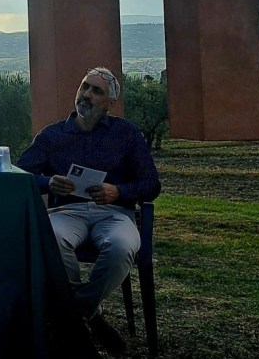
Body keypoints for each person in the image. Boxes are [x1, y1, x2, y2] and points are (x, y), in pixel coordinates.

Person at [17, 66, 161, 357]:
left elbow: (151, 184)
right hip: (66, 212)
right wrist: (48, 183)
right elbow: (20, 176)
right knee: (53, 240)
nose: (87, 95)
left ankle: (74, 316)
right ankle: (91, 317)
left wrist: (118, 191)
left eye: (97, 91)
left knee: (121, 247)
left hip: (114, 213)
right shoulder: (52, 135)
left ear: (110, 103)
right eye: (84, 87)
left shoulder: (126, 134)